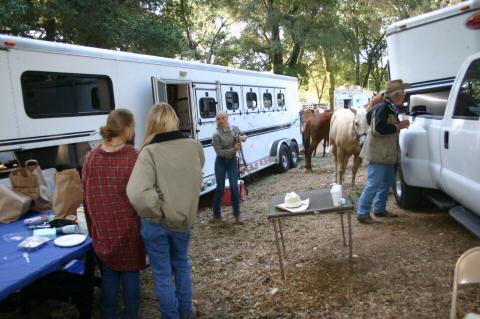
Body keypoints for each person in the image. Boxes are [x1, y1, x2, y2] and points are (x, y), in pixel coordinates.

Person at [127, 103, 205, 319]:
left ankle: (171, 316)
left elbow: (137, 193)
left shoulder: (149, 151)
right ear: (174, 120)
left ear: (151, 124)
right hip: (182, 220)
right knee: (181, 265)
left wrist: (157, 210)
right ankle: (186, 311)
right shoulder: (194, 146)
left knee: (162, 274)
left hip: (156, 223)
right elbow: (196, 174)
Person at [82, 109, 146, 319]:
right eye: (133, 126)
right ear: (127, 129)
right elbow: (140, 196)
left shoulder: (91, 158)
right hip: (128, 230)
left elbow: (87, 196)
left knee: (109, 276)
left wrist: (95, 225)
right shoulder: (133, 157)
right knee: (130, 276)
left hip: (103, 230)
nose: (134, 130)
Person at [357, 80, 411, 224]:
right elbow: (379, 128)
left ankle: (379, 209)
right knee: (374, 184)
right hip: (379, 154)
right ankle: (362, 213)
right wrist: (398, 126)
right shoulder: (384, 109)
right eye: (403, 93)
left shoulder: (391, 107)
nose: (404, 96)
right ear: (396, 95)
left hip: (385, 154)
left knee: (387, 182)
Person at [211, 112, 247, 224]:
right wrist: (234, 149)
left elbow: (245, 137)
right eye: (218, 119)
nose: (221, 120)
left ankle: (237, 215)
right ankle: (216, 215)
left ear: (227, 118)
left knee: (234, 187)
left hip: (232, 161)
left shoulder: (235, 129)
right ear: (217, 121)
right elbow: (220, 152)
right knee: (220, 188)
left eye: (223, 118)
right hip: (221, 162)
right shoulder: (216, 135)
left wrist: (242, 137)